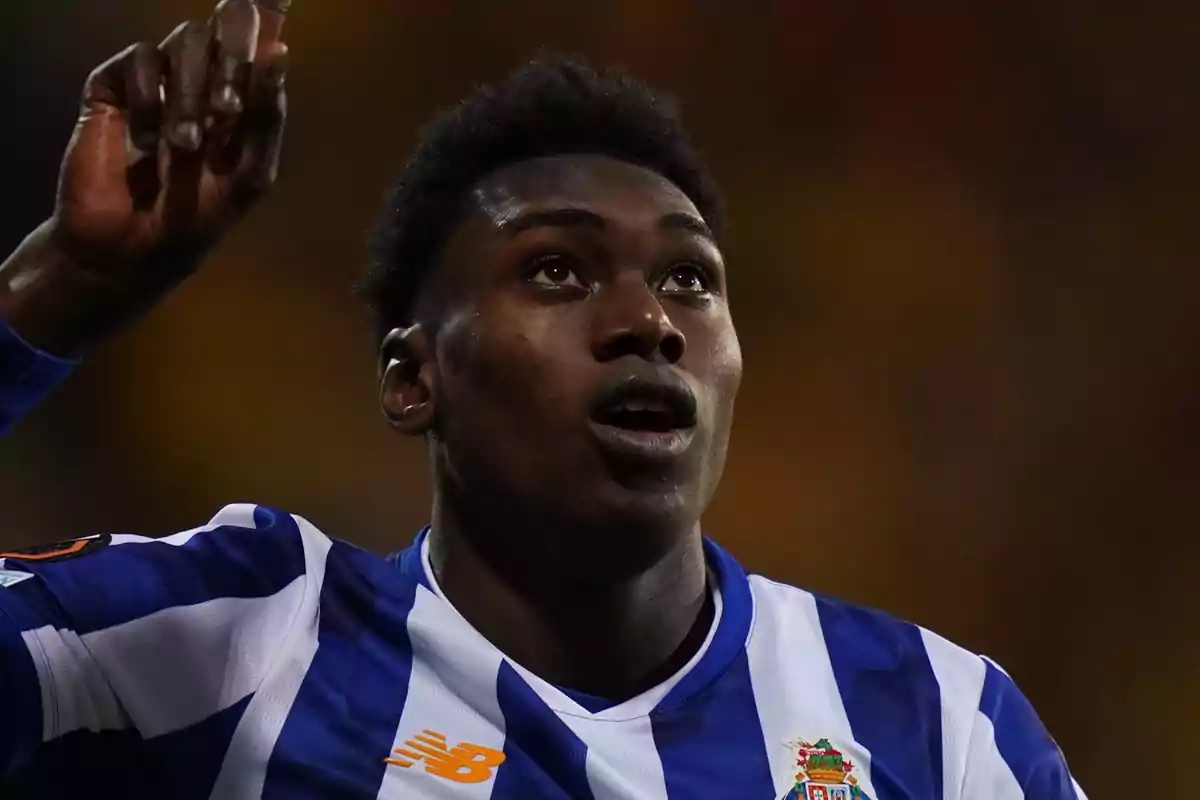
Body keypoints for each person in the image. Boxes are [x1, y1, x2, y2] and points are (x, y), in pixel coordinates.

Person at [0, 1, 1087, 798]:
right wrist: (56, 294)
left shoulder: (937, 724)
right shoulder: (247, 638)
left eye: (689, 280)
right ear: (412, 375)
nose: (649, 320)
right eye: (557, 270)